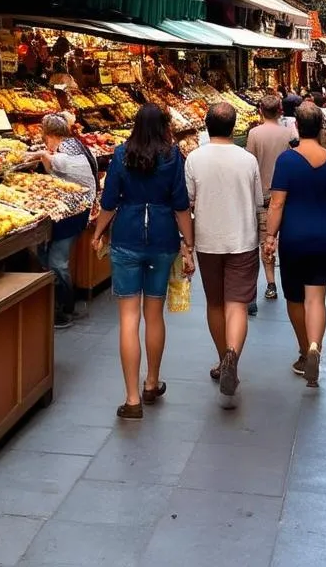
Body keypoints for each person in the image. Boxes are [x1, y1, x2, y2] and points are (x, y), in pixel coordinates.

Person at [92, 104, 195, 420]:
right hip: (163, 238)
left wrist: (98, 232)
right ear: (165, 126)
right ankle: (151, 381)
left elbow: (109, 201)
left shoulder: (122, 154)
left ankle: (132, 398)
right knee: (154, 314)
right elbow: (180, 204)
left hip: (127, 238)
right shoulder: (173, 156)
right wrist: (188, 244)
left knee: (128, 318)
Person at [263, 102, 326, 387]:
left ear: (296, 127)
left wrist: (270, 237)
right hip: (324, 238)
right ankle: (316, 345)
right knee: (316, 298)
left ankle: (304, 351)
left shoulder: (286, 161)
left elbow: (277, 203)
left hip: (293, 239)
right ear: (321, 128)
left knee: (295, 298)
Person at [185, 102, 262, 408]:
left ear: (206, 125)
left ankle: (223, 358)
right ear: (233, 128)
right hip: (243, 239)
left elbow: (187, 203)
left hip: (207, 241)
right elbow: (258, 202)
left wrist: (185, 244)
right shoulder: (248, 160)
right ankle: (233, 355)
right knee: (238, 305)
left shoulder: (194, 158)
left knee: (215, 303)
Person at [38, 113, 98, 329]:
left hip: (74, 212)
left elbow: (58, 164)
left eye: (45, 136)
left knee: (57, 261)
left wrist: (42, 154)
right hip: (72, 209)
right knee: (48, 256)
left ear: (52, 135)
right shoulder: (74, 145)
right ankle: (55, 302)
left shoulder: (65, 153)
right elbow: (56, 171)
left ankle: (65, 308)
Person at [246, 94, 297, 307]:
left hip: (264, 196)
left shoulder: (254, 134)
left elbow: (250, 163)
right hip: (288, 195)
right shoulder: (289, 134)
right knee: (287, 238)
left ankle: (270, 282)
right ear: (280, 111)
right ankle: (291, 280)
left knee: (265, 239)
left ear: (260, 110)